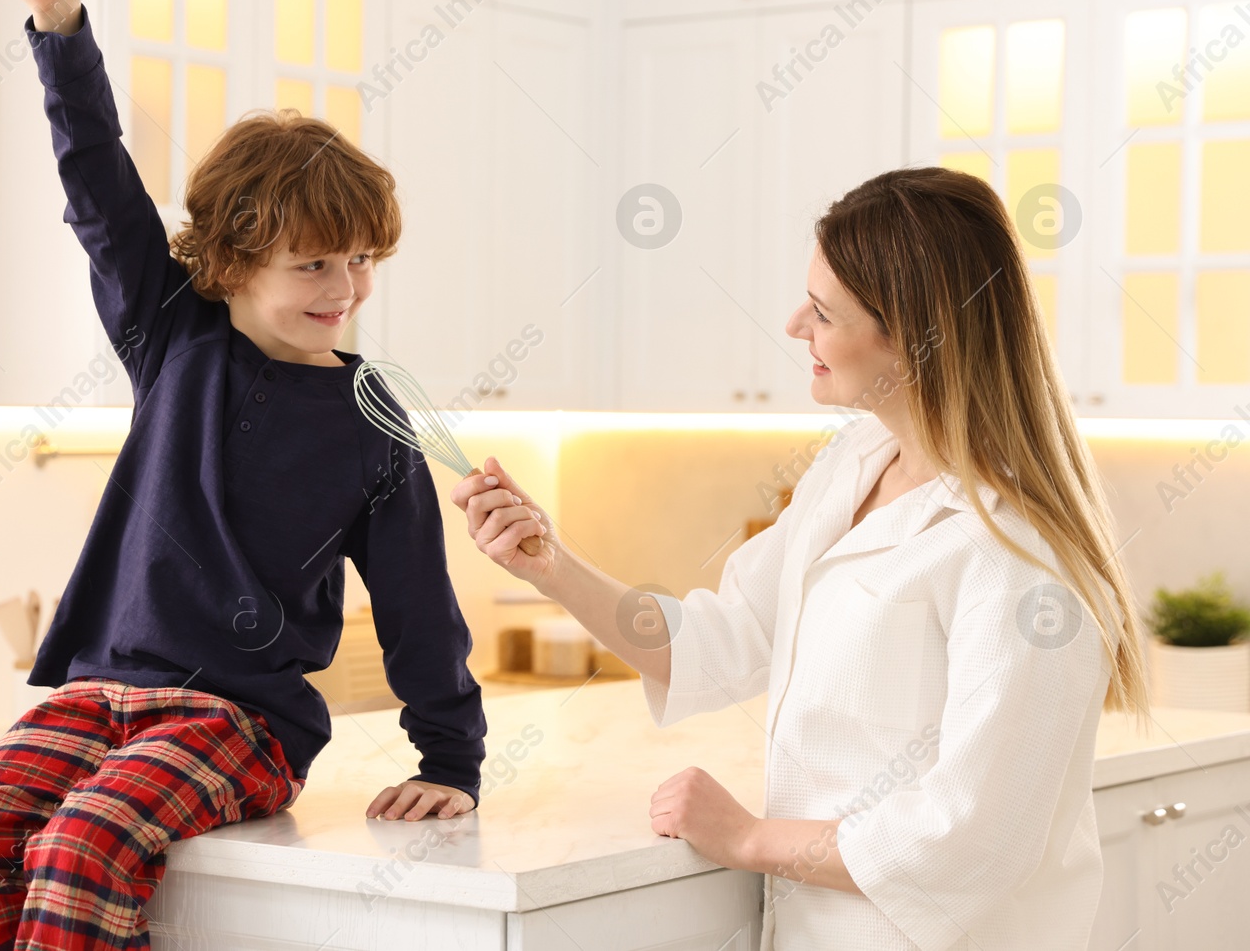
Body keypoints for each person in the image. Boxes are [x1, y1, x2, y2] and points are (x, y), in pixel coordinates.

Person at [0, 0, 485, 951]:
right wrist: (58, 22)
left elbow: (416, 601)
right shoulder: (171, 334)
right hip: (97, 693)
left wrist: (448, 756)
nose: (346, 288)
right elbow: (96, 183)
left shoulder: (373, 418)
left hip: (242, 723)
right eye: (314, 263)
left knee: (79, 848)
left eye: (360, 260)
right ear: (231, 259)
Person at [452, 167, 1150, 950]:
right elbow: (714, 644)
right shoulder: (850, 466)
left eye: (823, 312)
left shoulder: (1020, 555)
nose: (793, 324)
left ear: (917, 339)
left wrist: (751, 838)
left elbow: (975, 835)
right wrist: (551, 563)